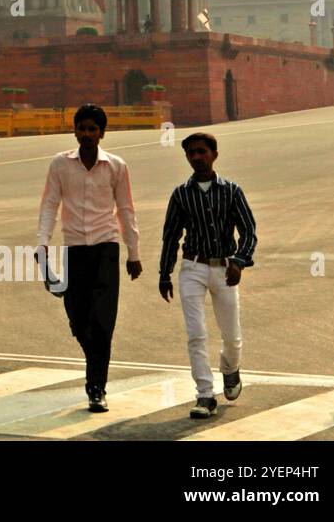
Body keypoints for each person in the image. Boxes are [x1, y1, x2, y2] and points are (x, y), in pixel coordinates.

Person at [37, 104, 141, 413]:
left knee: (102, 321)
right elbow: (49, 205)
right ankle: (94, 357)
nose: (86, 134)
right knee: (78, 317)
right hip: (74, 249)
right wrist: (42, 244)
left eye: (92, 129)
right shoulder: (60, 165)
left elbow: (125, 209)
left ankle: (96, 387)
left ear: (102, 133)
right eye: (82, 128)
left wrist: (133, 251)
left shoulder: (116, 167)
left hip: (106, 248)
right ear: (75, 131)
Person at [158, 131, 256, 419]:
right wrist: (164, 273)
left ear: (214, 154)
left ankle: (230, 369)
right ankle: (204, 395)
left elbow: (249, 230)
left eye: (202, 152)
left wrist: (239, 261)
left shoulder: (231, 191)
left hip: (225, 268)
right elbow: (171, 236)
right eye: (192, 153)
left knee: (232, 336)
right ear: (187, 157)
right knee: (196, 334)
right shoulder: (181, 195)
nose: (197, 157)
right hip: (193, 268)